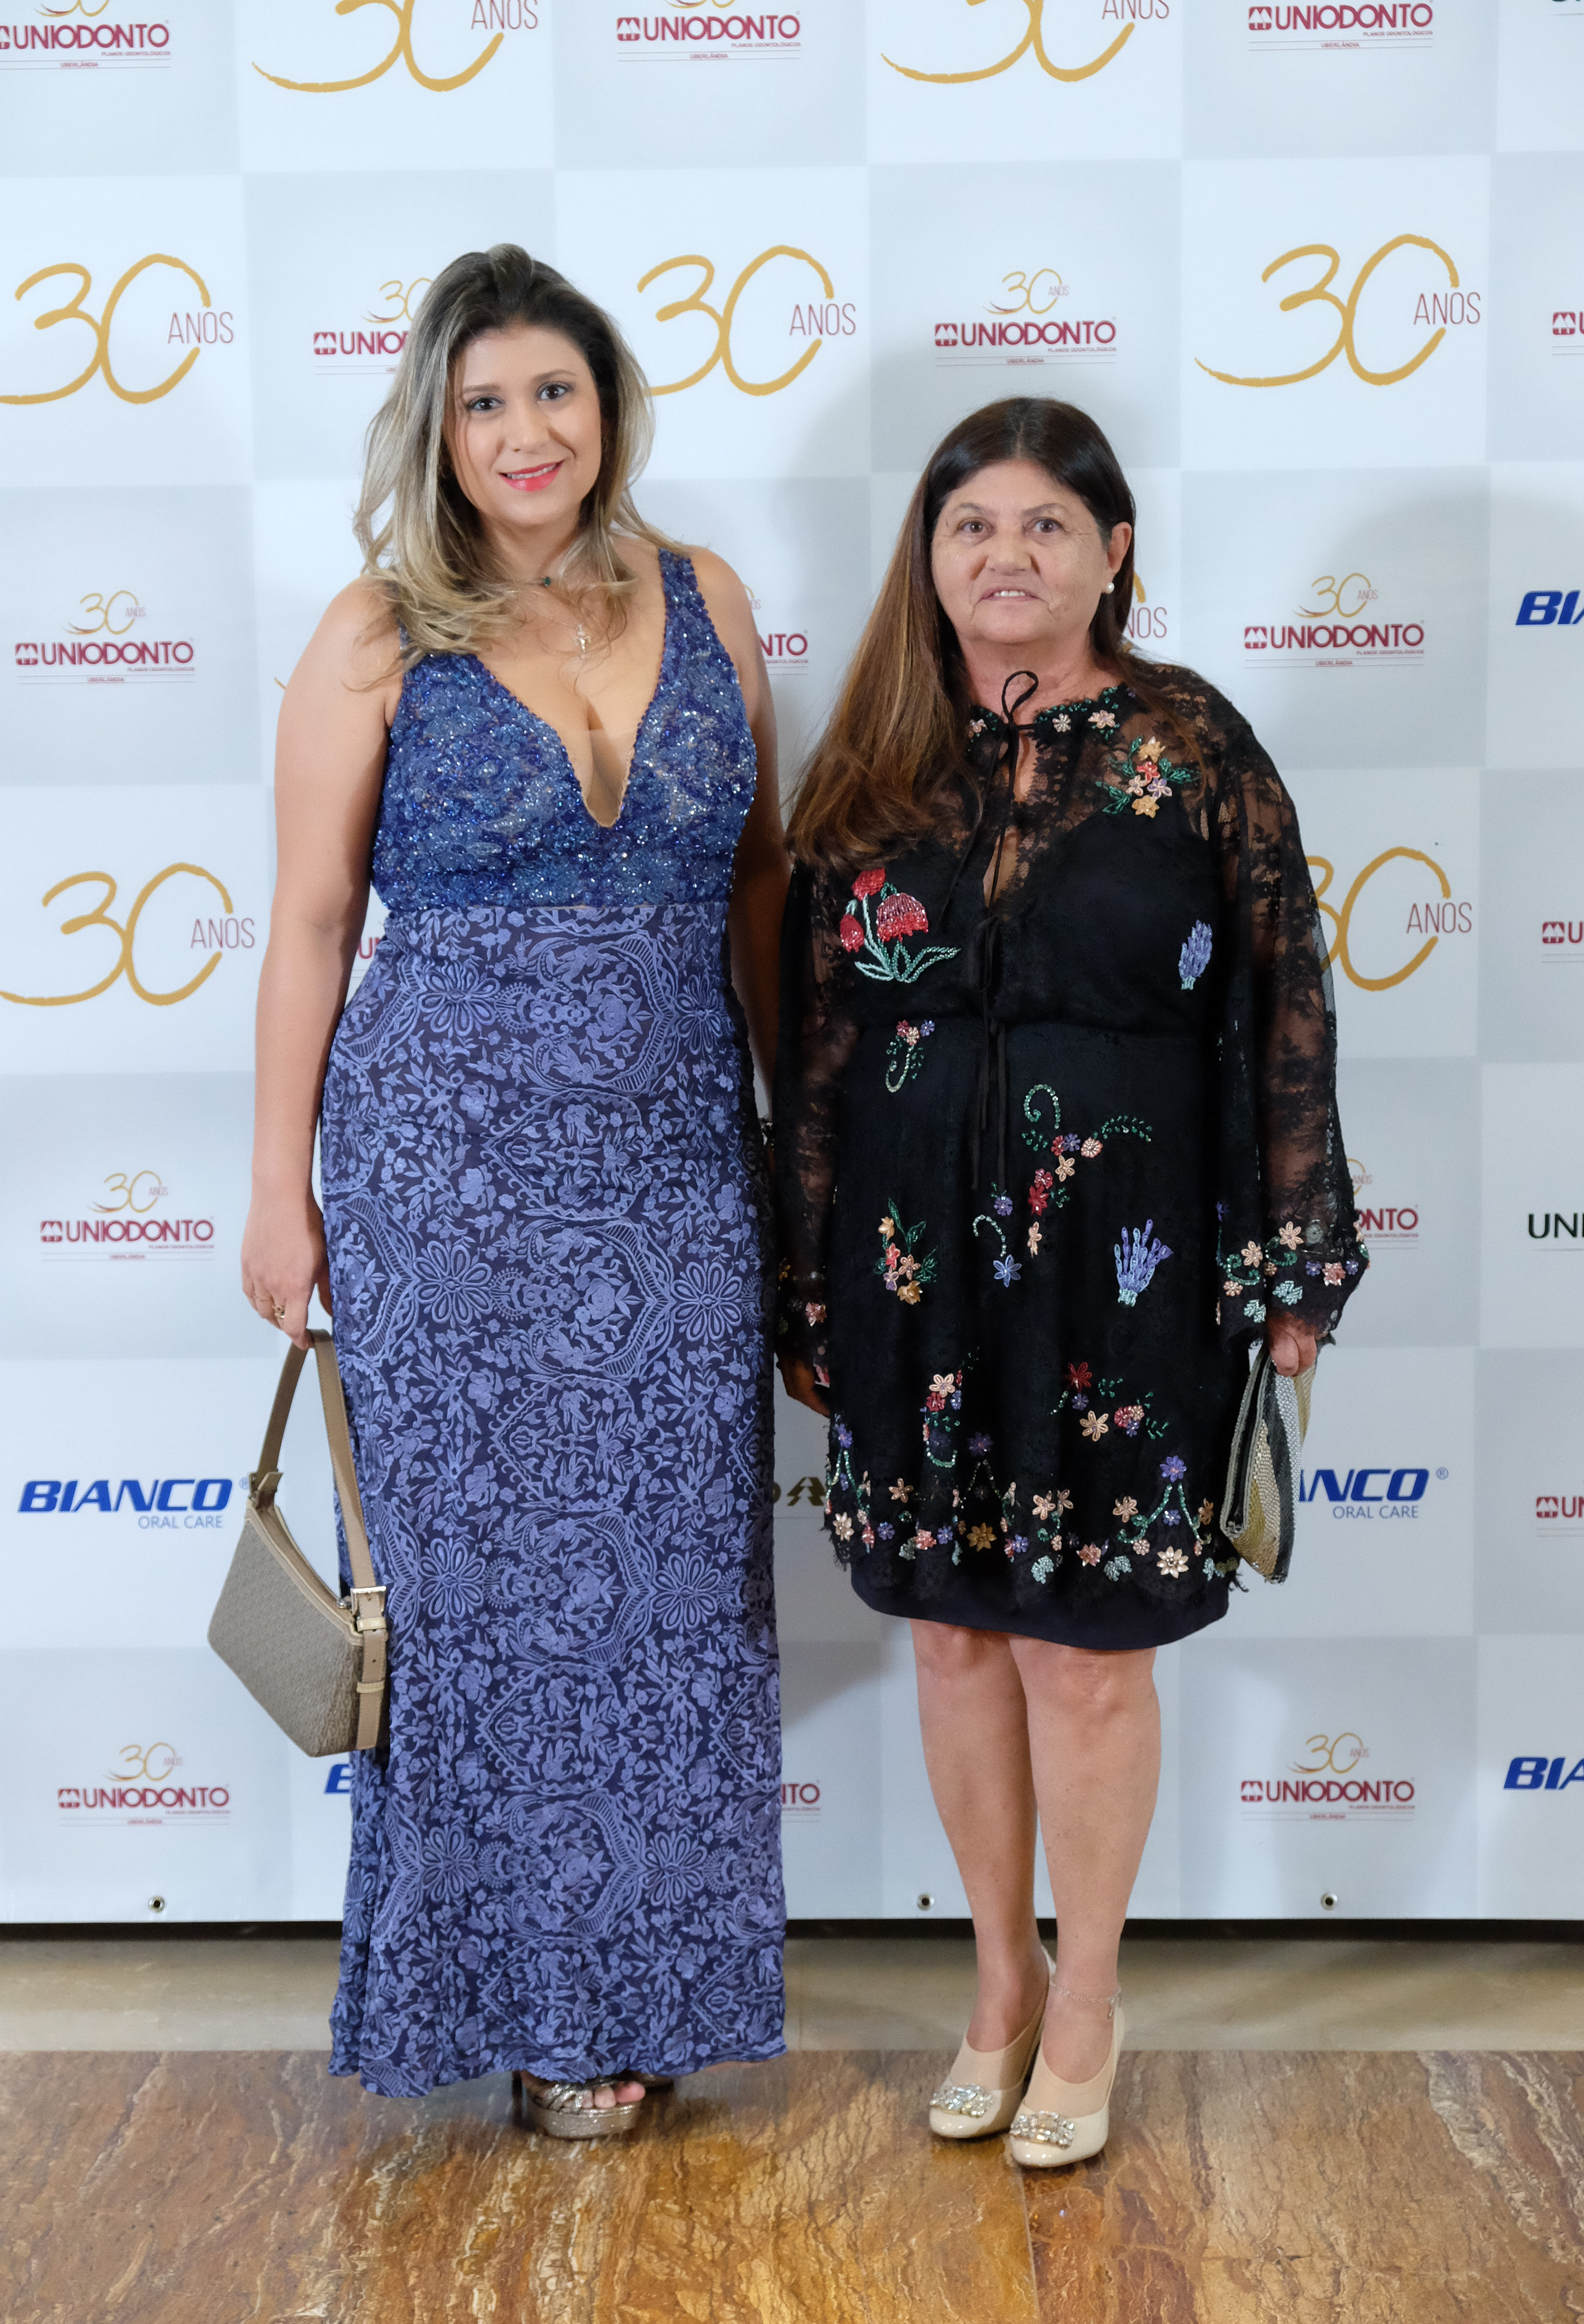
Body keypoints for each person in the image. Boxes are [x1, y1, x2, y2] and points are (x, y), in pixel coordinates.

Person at [774, 397, 1365, 2167]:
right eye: (973, 525)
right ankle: (1001, 1985)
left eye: (1046, 524)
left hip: (1128, 1273)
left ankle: (1091, 2000)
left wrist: (1293, 1262)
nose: (1007, 555)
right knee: (958, 1638)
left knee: (1090, 1661)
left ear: (1114, 551)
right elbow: (814, 1041)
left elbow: (1285, 996)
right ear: (929, 556)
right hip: (911, 1273)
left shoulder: (1195, 747)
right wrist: (809, 1276)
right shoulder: (874, 761)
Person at [240, 246, 788, 2132]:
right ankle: (513, 2009)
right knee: (476, 1609)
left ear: (608, 408)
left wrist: (798, 1142)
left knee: (673, 1605)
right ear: (438, 429)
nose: (526, 431)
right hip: (444, 1190)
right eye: (485, 403)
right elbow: (314, 920)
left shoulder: (708, 597)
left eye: (556, 391)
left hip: (680, 1177)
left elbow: (762, 889)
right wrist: (279, 1188)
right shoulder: (378, 629)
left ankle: (647, 1992)